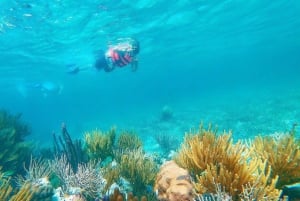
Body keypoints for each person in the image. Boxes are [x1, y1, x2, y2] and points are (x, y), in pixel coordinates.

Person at [66, 38, 140, 74]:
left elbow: (114, 49)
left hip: (107, 59)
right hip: (110, 62)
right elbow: (134, 69)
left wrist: (111, 45)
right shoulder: (134, 57)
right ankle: (76, 69)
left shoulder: (126, 49)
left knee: (94, 64)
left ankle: (76, 68)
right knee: (94, 65)